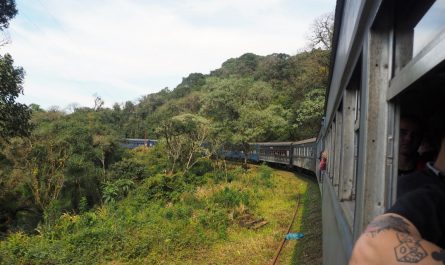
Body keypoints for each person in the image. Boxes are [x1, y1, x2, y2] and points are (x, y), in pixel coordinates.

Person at [349, 117, 445, 265]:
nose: (408, 139)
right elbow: (371, 245)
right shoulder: (372, 168)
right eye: (402, 132)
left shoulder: (425, 172)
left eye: (415, 135)